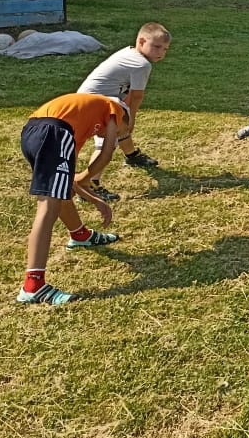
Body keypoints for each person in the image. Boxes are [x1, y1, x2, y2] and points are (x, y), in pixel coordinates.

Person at [18, 93, 129, 305]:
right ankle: (33, 286)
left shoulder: (78, 124)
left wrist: (95, 199)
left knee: (59, 193)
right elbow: (106, 154)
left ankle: (80, 235)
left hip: (32, 131)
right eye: (120, 133)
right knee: (48, 208)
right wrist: (86, 178)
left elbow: (66, 182)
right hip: (53, 131)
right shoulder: (115, 108)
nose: (113, 136)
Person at [77, 22, 171, 201]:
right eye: (157, 47)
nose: (161, 53)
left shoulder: (129, 52)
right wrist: (131, 120)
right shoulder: (142, 64)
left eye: (165, 49)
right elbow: (136, 97)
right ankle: (89, 185)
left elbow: (126, 97)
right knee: (107, 142)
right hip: (92, 105)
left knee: (120, 124)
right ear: (141, 41)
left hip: (92, 100)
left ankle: (131, 155)